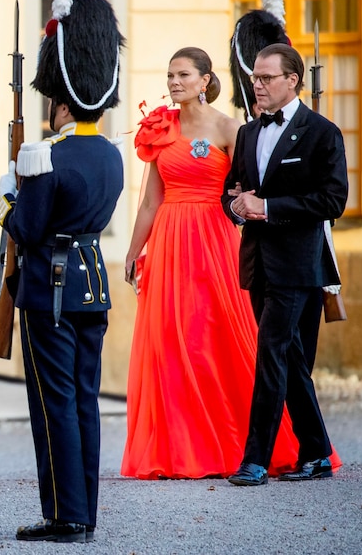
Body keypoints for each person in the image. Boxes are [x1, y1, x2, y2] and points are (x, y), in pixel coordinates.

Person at [121, 47, 318, 480]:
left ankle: (244, 441)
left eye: (183, 74)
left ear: (206, 80)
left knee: (218, 339)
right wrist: (135, 252)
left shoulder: (232, 129)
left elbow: (250, 188)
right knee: (171, 342)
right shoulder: (160, 128)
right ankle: (180, 449)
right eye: (170, 74)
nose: (174, 82)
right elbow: (150, 202)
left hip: (215, 241)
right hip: (170, 239)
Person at [0, 0, 125, 543]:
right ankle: (83, 512)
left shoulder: (48, 154)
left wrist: (7, 199)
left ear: (63, 101)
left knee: (54, 405)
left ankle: (65, 516)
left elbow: (26, 229)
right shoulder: (111, 153)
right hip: (90, 285)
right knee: (84, 402)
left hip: (50, 290)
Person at [223, 43, 348, 486]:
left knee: (272, 354)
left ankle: (255, 459)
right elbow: (230, 193)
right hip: (258, 263)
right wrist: (238, 207)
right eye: (254, 77)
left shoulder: (322, 132)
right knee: (291, 358)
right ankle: (315, 452)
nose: (256, 85)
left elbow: (333, 200)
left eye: (265, 77)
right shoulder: (248, 133)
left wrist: (269, 206)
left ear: (292, 80)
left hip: (298, 265)